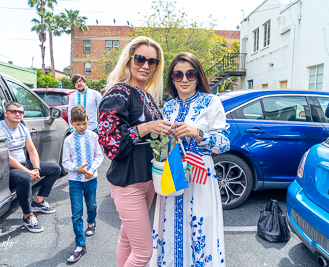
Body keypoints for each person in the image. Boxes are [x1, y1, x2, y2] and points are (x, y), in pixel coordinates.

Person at [150, 52, 230, 267]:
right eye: (178, 74)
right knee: (170, 228)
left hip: (200, 176)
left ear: (198, 76)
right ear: (172, 79)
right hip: (173, 173)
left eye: (190, 73)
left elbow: (224, 144)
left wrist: (196, 133)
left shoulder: (211, 102)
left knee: (199, 228)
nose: (184, 79)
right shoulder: (168, 106)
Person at [98, 36, 171, 267]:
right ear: (129, 60)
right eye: (140, 59)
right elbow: (109, 143)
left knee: (127, 239)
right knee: (143, 253)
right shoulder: (119, 93)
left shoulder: (146, 95)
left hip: (148, 180)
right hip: (128, 183)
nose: (146, 66)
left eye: (153, 61)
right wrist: (147, 127)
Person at [0, 101, 61, 233]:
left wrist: (36, 168)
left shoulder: (22, 128)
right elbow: (7, 158)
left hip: (24, 163)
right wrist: (29, 171)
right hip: (9, 168)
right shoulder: (0, 129)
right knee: (25, 176)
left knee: (55, 168)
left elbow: (32, 151)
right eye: (13, 111)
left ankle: (38, 201)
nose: (17, 114)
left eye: (20, 112)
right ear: (5, 114)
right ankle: (28, 216)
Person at [62, 105, 104, 263]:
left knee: (92, 205)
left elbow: (98, 156)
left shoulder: (93, 136)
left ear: (88, 121)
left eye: (84, 124)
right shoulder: (68, 140)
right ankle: (80, 245)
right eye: (77, 124)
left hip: (91, 179)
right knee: (76, 213)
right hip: (75, 182)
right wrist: (76, 169)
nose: (81, 127)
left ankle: (92, 222)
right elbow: (65, 161)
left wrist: (92, 169)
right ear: (71, 122)